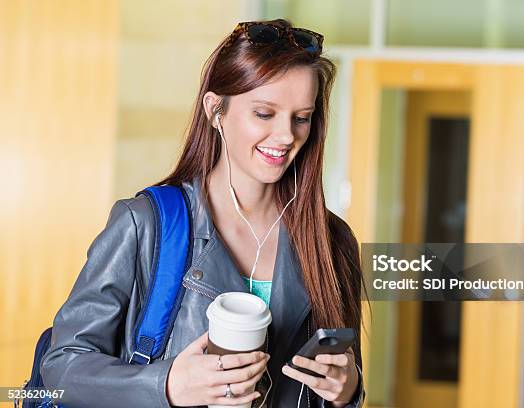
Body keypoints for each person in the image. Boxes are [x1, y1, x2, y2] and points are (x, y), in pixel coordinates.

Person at [41, 18, 367, 407]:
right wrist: (165, 385)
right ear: (216, 111)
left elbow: (342, 378)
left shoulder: (331, 241)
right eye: (264, 113)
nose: (286, 136)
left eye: (302, 117)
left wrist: (347, 390)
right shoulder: (146, 224)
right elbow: (61, 370)